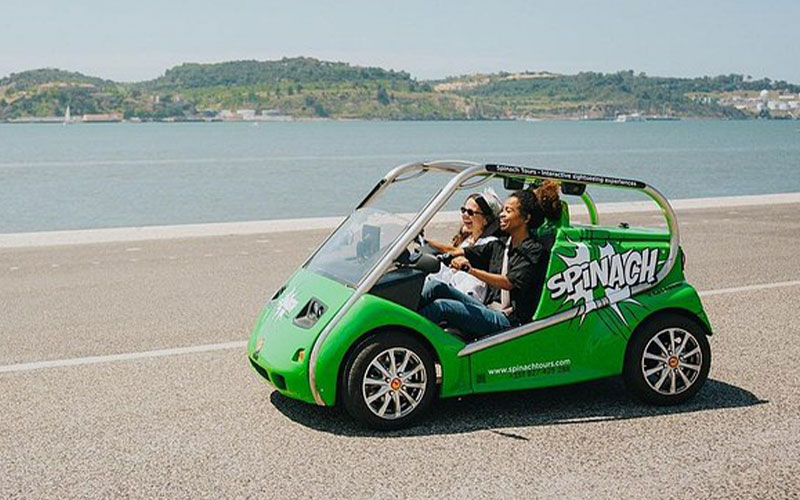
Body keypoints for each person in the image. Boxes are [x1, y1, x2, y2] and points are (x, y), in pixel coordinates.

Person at [419, 181, 562, 340]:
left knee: (442, 307)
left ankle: (406, 333)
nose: (501, 214)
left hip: (508, 321)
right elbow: (455, 251)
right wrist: (423, 241)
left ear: (526, 218)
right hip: (489, 309)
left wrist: (470, 270)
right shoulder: (499, 245)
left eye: (508, 211)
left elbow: (508, 282)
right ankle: (395, 321)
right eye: (503, 210)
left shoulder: (533, 250)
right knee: (436, 287)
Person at [425, 189, 502, 302]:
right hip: (453, 287)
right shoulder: (467, 239)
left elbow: (454, 250)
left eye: (471, 212)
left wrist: (427, 241)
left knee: (433, 288)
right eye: (463, 210)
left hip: (469, 296)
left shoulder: (489, 243)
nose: (465, 215)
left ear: (485, 220)